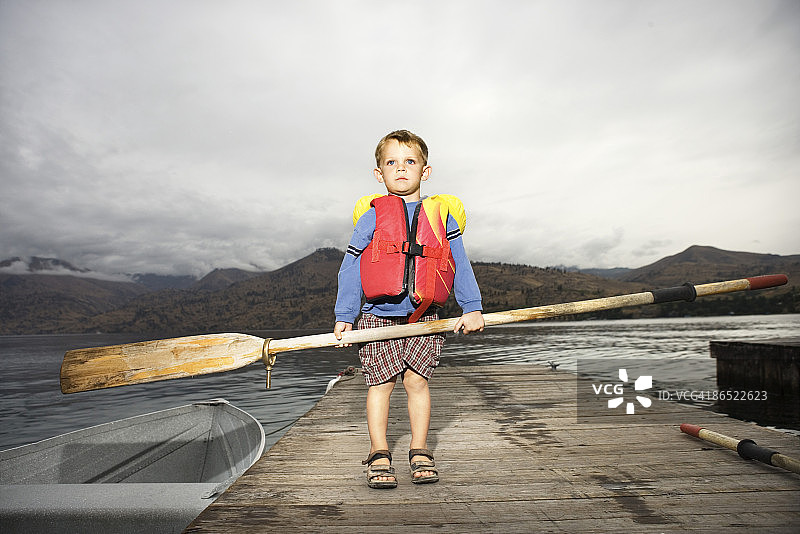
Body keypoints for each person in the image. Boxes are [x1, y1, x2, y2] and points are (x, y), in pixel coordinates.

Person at [333, 129, 484, 489]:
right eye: (391, 162)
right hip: (376, 316)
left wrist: (472, 306)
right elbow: (352, 265)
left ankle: (419, 449)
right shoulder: (372, 217)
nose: (401, 168)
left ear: (425, 171)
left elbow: (460, 263)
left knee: (417, 381)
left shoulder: (441, 216)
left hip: (426, 317)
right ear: (379, 174)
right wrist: (345, 316)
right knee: (380, 383)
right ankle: (379, 451)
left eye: (410, 161)